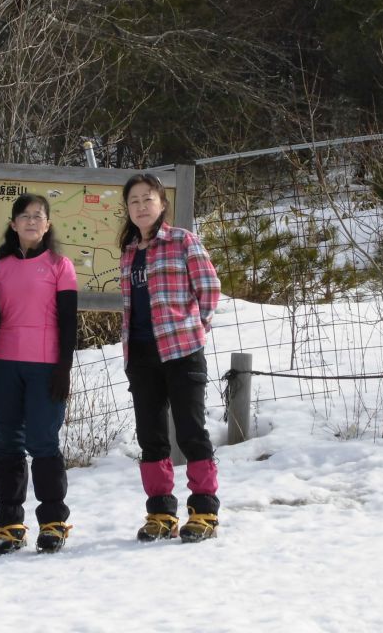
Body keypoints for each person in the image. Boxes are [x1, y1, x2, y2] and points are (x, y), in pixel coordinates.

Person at [118, 172, 222, 543]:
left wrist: (196, 330)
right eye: (134, 201)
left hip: (182, 352)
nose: (141, 206)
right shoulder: (129, 252)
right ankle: (161, 511)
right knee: (152, 436)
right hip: (142, 356)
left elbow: (209, 288)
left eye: (148, 199)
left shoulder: (182, 240)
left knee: (192, 431)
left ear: (162, 204)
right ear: (127, 210)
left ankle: (204, 510)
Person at [0, 193, 78, 555]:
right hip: (4, 366)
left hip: (45, 366)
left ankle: (53, 521)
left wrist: (64, 368)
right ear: (13, 224)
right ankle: (10, 524)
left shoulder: (60, 266)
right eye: (25, 216)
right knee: (7, 444)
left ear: (47, 225)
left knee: (44, 442)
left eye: (39, 216)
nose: (32, 221)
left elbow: (68, 323)